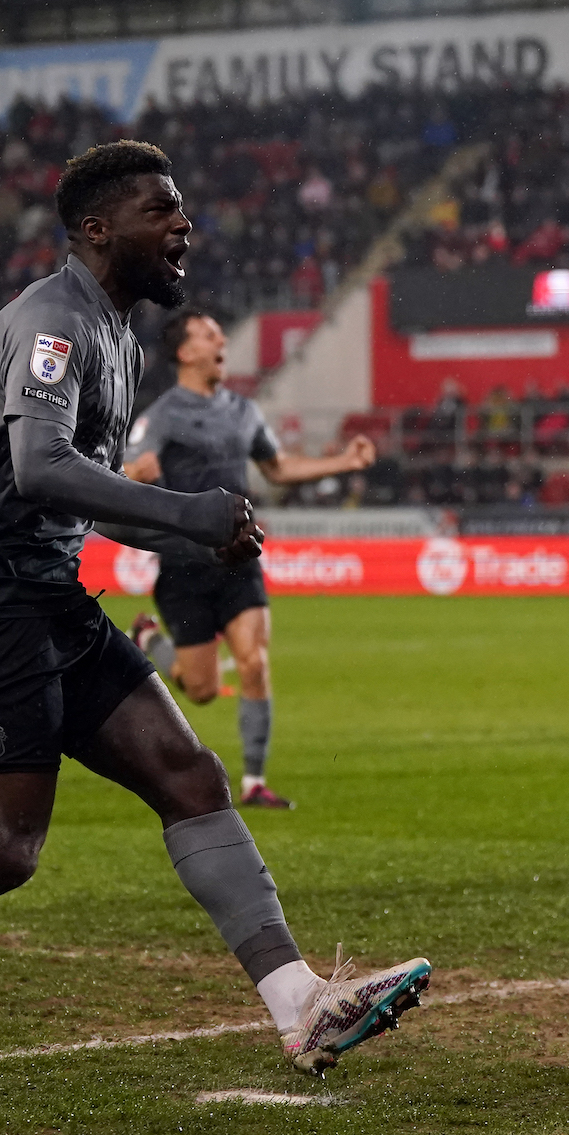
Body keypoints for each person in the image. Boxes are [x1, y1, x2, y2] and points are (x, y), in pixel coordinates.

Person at [0, 141, 429, 1091]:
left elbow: (79, 495)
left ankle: (299, 1002)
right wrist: (188, 509)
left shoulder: (118, 337)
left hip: (48, 591)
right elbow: (39, 468)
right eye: (161, 210)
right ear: (97, 228)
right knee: (0, 847)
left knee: (189, 773)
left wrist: (192, 541)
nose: (185, 226)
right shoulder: (52, 323)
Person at [125, 311, 376, 808]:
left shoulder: (243, 410)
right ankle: (149, 639)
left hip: (240, 555)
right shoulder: (163, 415)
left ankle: (254, 783)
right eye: (210, 334)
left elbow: (277, 468)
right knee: (199, 689)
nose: (222, 340)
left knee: (255, 663)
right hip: (184, 566)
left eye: (221, 333)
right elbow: (126, 471)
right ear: (186, 352)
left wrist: (343, 461)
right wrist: (135, 471)